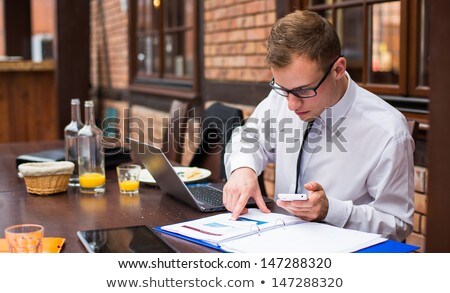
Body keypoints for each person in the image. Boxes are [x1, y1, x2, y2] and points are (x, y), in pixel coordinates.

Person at [223, 10, 414, 242]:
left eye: (304, 90)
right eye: (283, 89)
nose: (292, 104)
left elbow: (398, 225)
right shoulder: (282, 98)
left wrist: (330, 210)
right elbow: (247, 137)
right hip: (278, 243)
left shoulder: (388, 131)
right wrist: (243, 169)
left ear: (338, 69)